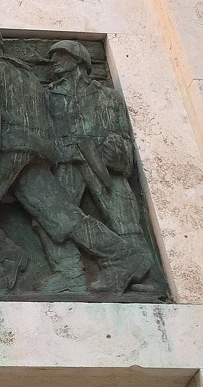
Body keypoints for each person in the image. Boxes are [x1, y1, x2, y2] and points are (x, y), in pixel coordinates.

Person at [0, 23, 150, 295]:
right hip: (35, 152)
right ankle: (123, 257)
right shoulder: (26, 73)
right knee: (59, 213)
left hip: (5, 149)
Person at [44, 40, 159, 293]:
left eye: (60, 55)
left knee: (124, 215)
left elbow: (122, 133)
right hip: (66, 162)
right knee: (51, 218)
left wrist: (117, 152)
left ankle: (145, 276)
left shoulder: (107, 95)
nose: (54, 60)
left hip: (101, 161)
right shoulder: (49, 95)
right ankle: (69, 273)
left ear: (78, 59)